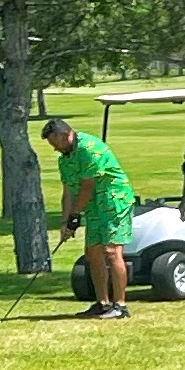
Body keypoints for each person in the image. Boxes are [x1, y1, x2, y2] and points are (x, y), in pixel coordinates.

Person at [42, 110, 136, 317]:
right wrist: (65, 221)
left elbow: (87, 186)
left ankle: (120, 306)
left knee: (111, 251)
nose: (54, 148)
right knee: (92, 253)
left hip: (114, 201)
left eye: (55, 143)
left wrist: (75, 216)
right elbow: (69, 191)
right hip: (94, 206)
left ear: (66, 134)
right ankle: (102, 303)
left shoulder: (90, 149)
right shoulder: (64, 159)